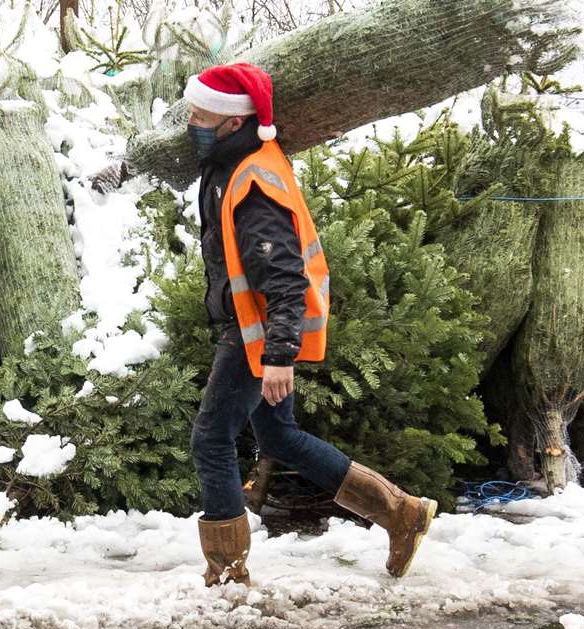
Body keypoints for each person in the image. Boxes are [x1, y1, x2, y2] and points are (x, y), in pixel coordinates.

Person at [183, 62, 438, 587]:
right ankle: (401, 513)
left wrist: (277, 356)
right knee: (279, 438)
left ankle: (227, 576)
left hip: (256, 334)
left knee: (211, 439)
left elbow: (284, 276)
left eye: (200, 112)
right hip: (256, 327)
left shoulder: (252, 181)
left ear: (233, 121)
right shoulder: (234, 160)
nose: (191, 120)